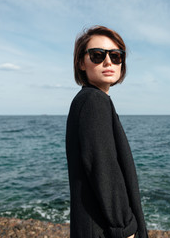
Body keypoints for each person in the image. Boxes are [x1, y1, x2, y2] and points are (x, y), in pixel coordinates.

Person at [65, 26, 148, 238]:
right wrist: (125, 229)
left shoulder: (87, 100)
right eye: (97, 55)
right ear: (81, 63)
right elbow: (104, 169)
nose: (108, 62)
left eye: (116, 55)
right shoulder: (94, 101)